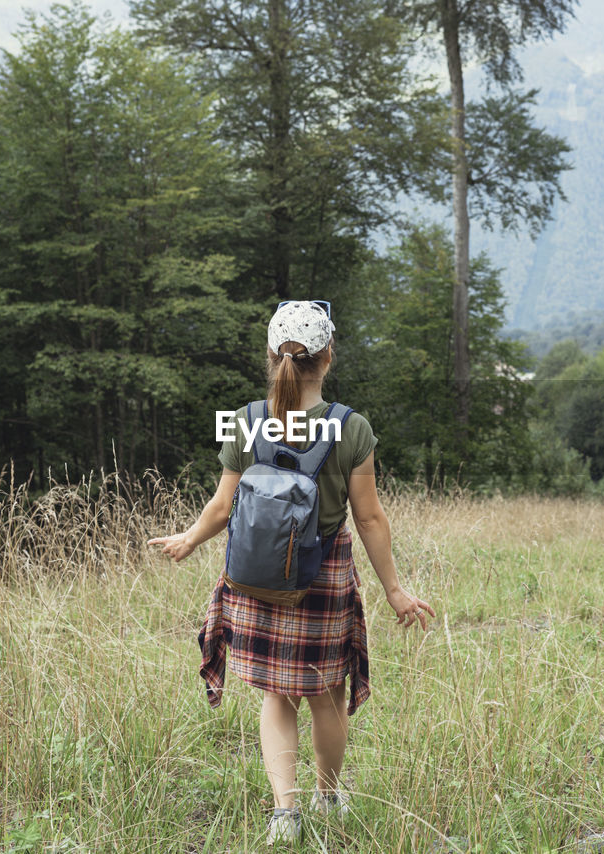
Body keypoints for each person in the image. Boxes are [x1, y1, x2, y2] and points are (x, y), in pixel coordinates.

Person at [148, 300, 435, 844]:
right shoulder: (351, 428)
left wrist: (189, 538)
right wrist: (395, 590)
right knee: (326, 694)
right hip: (323, 574)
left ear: (271, 357)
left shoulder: (247, 421)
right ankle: (329, 797)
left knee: (276, 696)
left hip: (256, 576)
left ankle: (285, 811)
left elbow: (221, 505)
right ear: (328, 357)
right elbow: (368, 516)